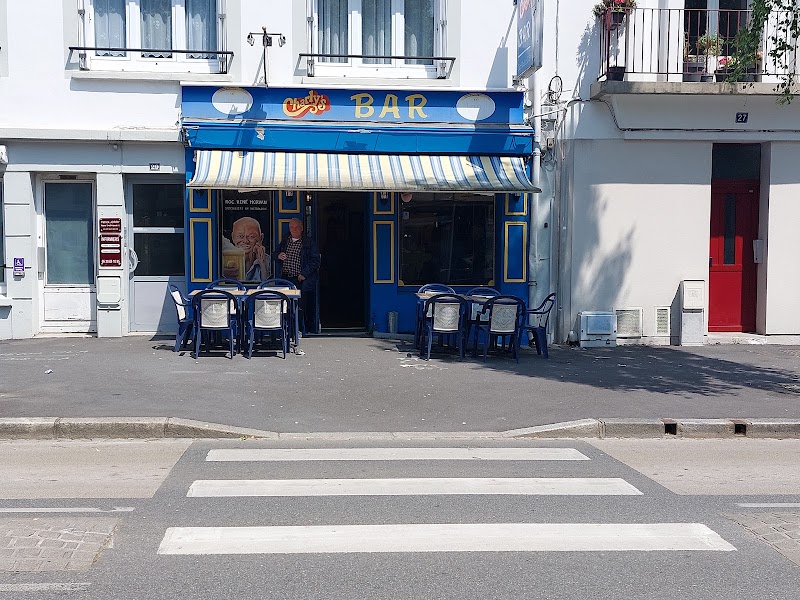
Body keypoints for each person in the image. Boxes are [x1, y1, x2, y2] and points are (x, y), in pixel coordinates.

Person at [272, 218, 321, 333]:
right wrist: (279, 255)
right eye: (291, 228)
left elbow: (315, 261)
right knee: (286, 306)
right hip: (285, 279)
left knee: (300, 307)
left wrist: (304, 273)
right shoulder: (285, 241)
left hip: (300, 280)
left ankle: (299, 331)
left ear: (302, 228)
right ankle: (287, 332)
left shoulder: (308, 243)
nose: (293, 230)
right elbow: (274, 254)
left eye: (296, 228)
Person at [224, 216, 270, 282]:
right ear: (233, 237)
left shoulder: (269, 262)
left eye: (251, 237)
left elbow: (269, 286)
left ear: (261, 238)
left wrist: (263, 265)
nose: (245, 241)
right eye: (240, 236)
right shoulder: (223, 260)